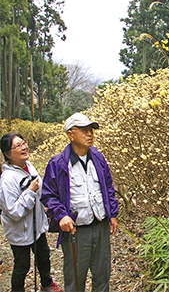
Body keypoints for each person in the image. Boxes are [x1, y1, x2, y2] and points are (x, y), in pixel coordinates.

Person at [41, 113, 119, 292]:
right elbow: (48, 195)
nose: (89, 134)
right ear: (70, 134)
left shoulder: (98, 158)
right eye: (84, 130)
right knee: (75, 279)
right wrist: (61, 215)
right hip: (76, 231)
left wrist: (112, 214)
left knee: (102, 275)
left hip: (100, 226)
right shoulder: (58, 163)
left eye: (91, 130)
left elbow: (107, 186)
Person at [0, 133, 62, 292]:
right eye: (18, 146)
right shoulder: (7, 179)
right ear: (7, 154)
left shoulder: (29, 166)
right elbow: (13, 212)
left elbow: (41, 192)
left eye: (24, 143)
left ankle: (47, 284)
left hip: (37, 225)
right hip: (19, 231)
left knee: (43, 256)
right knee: (22, 265)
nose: (24, 147)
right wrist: (29, 191)